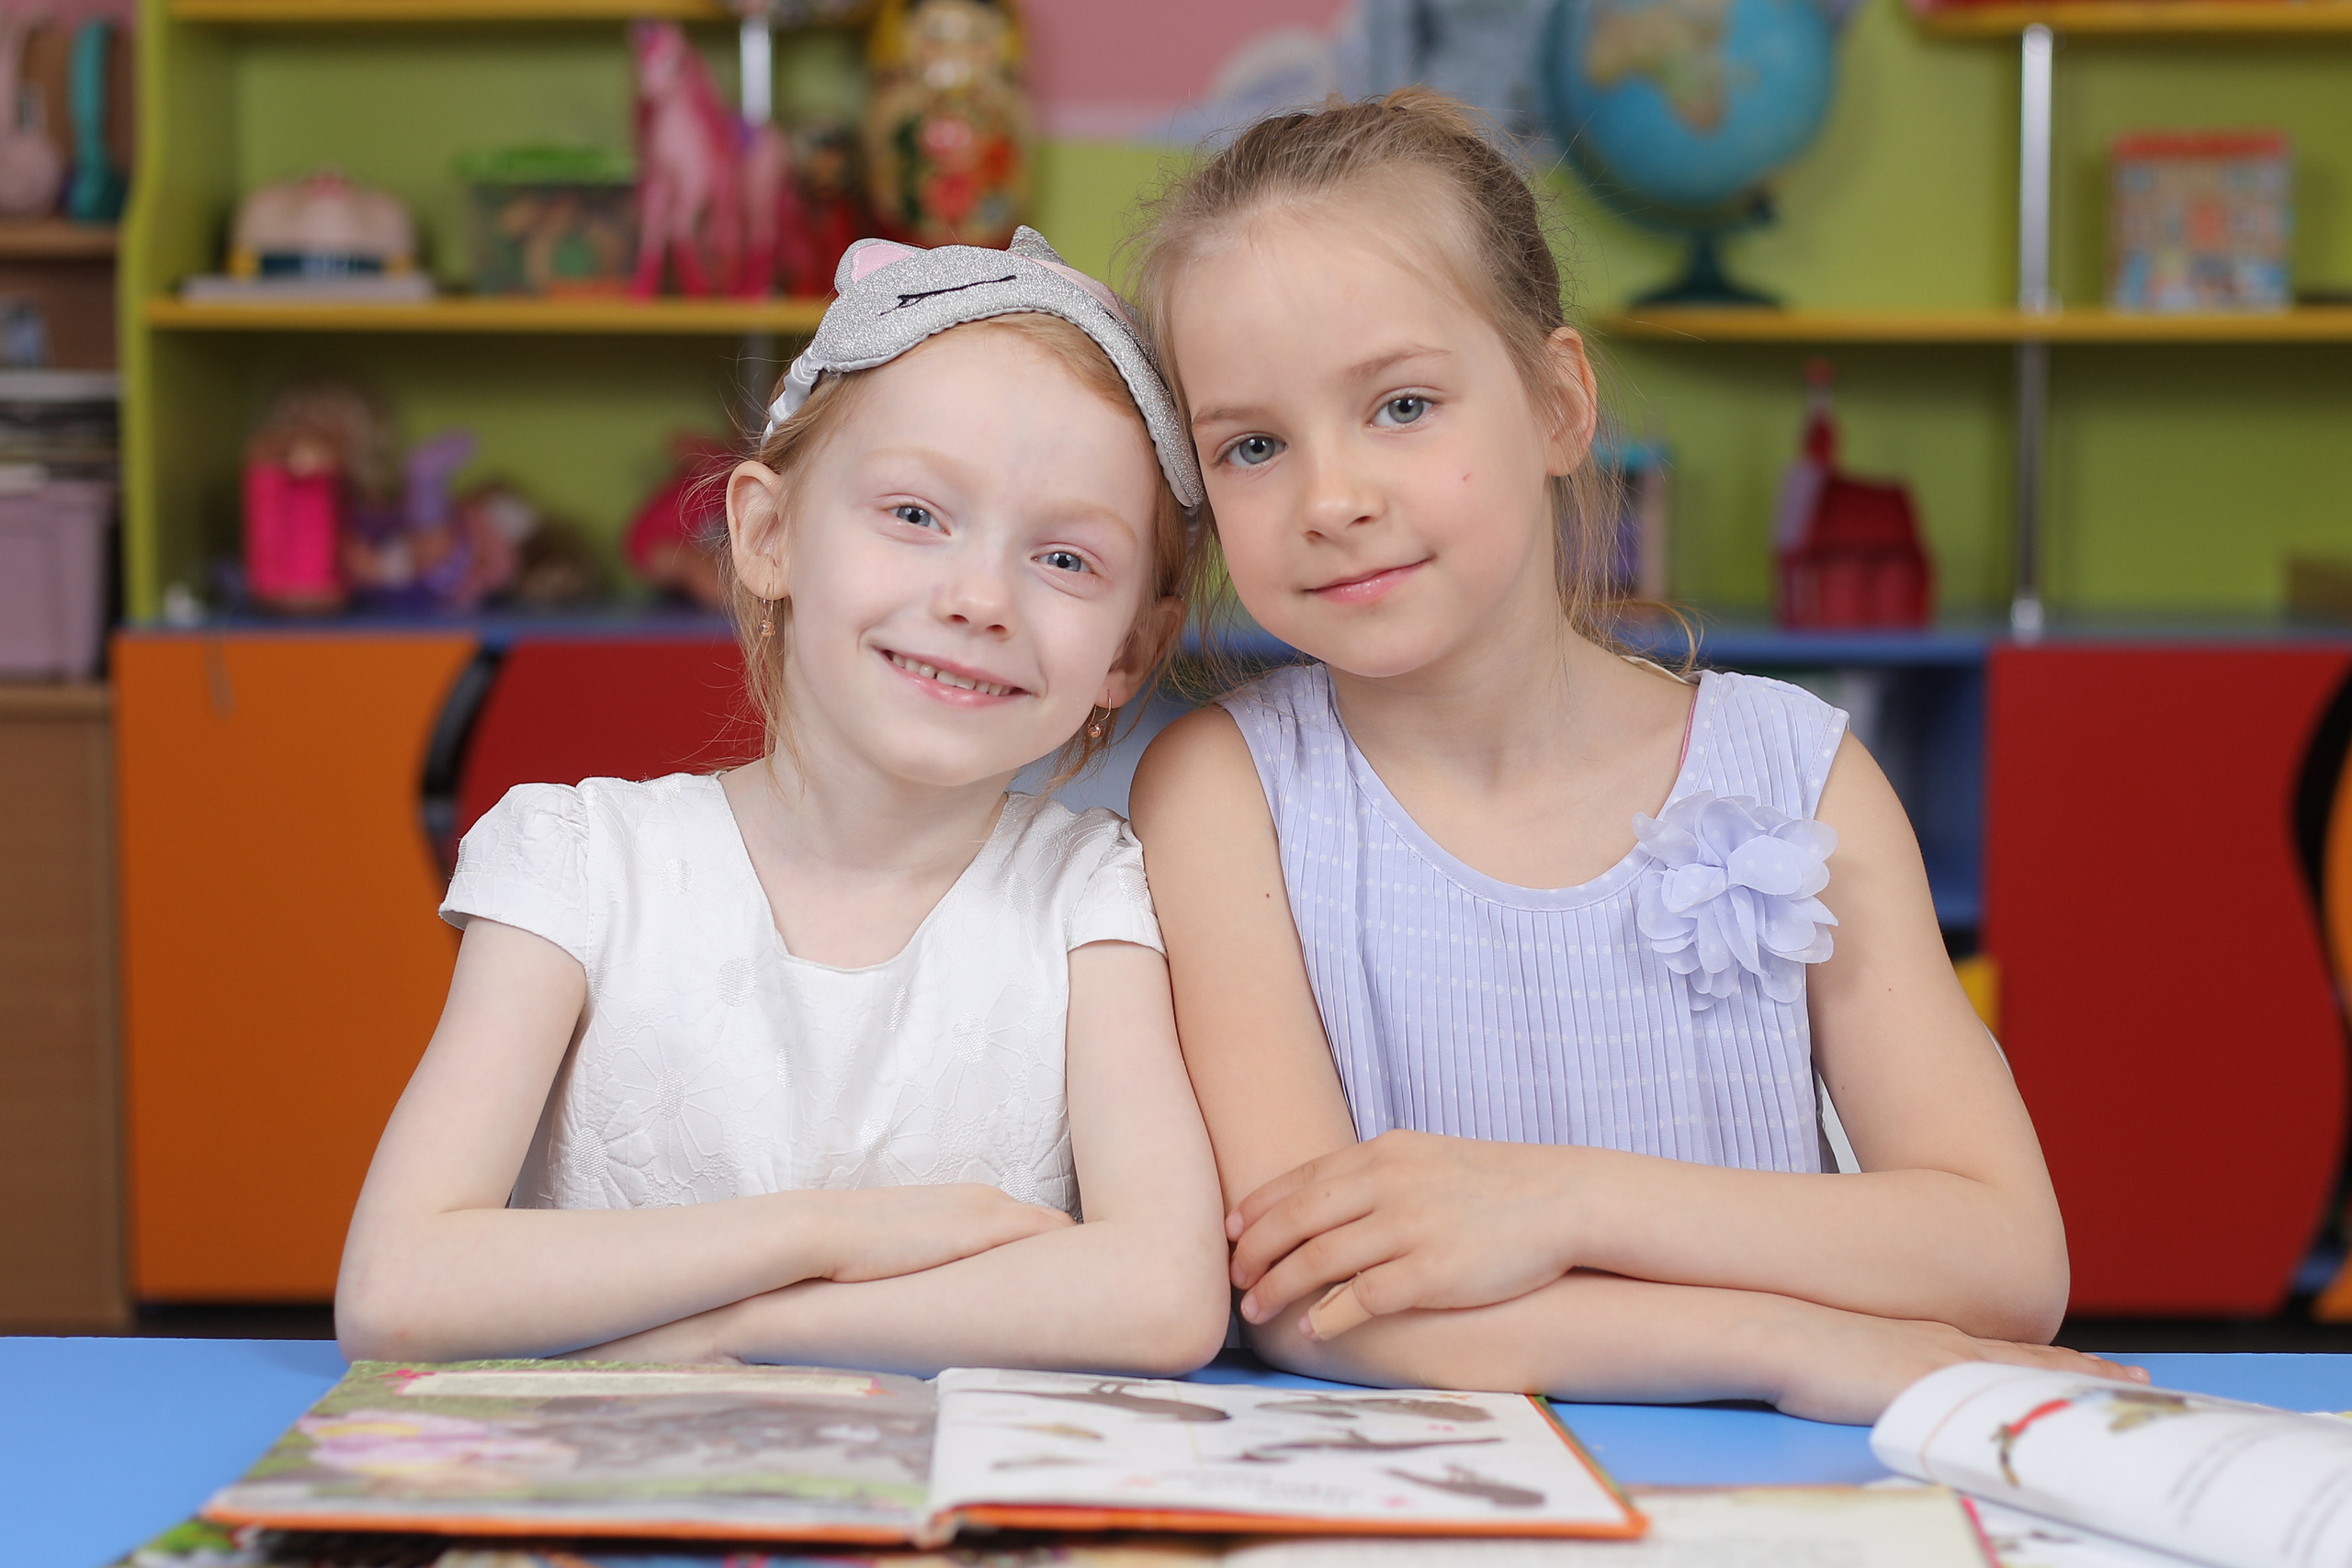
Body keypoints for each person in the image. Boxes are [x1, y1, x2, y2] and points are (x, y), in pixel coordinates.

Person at [1124, 92, 2143, 1425]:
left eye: (1403, 404)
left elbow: (2008, 1258)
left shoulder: (1795, 771)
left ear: (1557, 406)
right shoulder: (1226, 791)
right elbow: (1319, 1297)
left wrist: (1558, 1198)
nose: (1332, 498)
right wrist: (1794, 1347)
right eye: (1253, 445)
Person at [337, 229, 1230, 1375]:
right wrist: (831, 1233)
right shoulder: (578, 864)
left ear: (1130, 652)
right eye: (915, 514)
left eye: (1065, 560)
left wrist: (747, 1330)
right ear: (766, 537)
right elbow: (398, 1286)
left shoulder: (1090, 895)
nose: (978, 597)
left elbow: (1161, 1298)